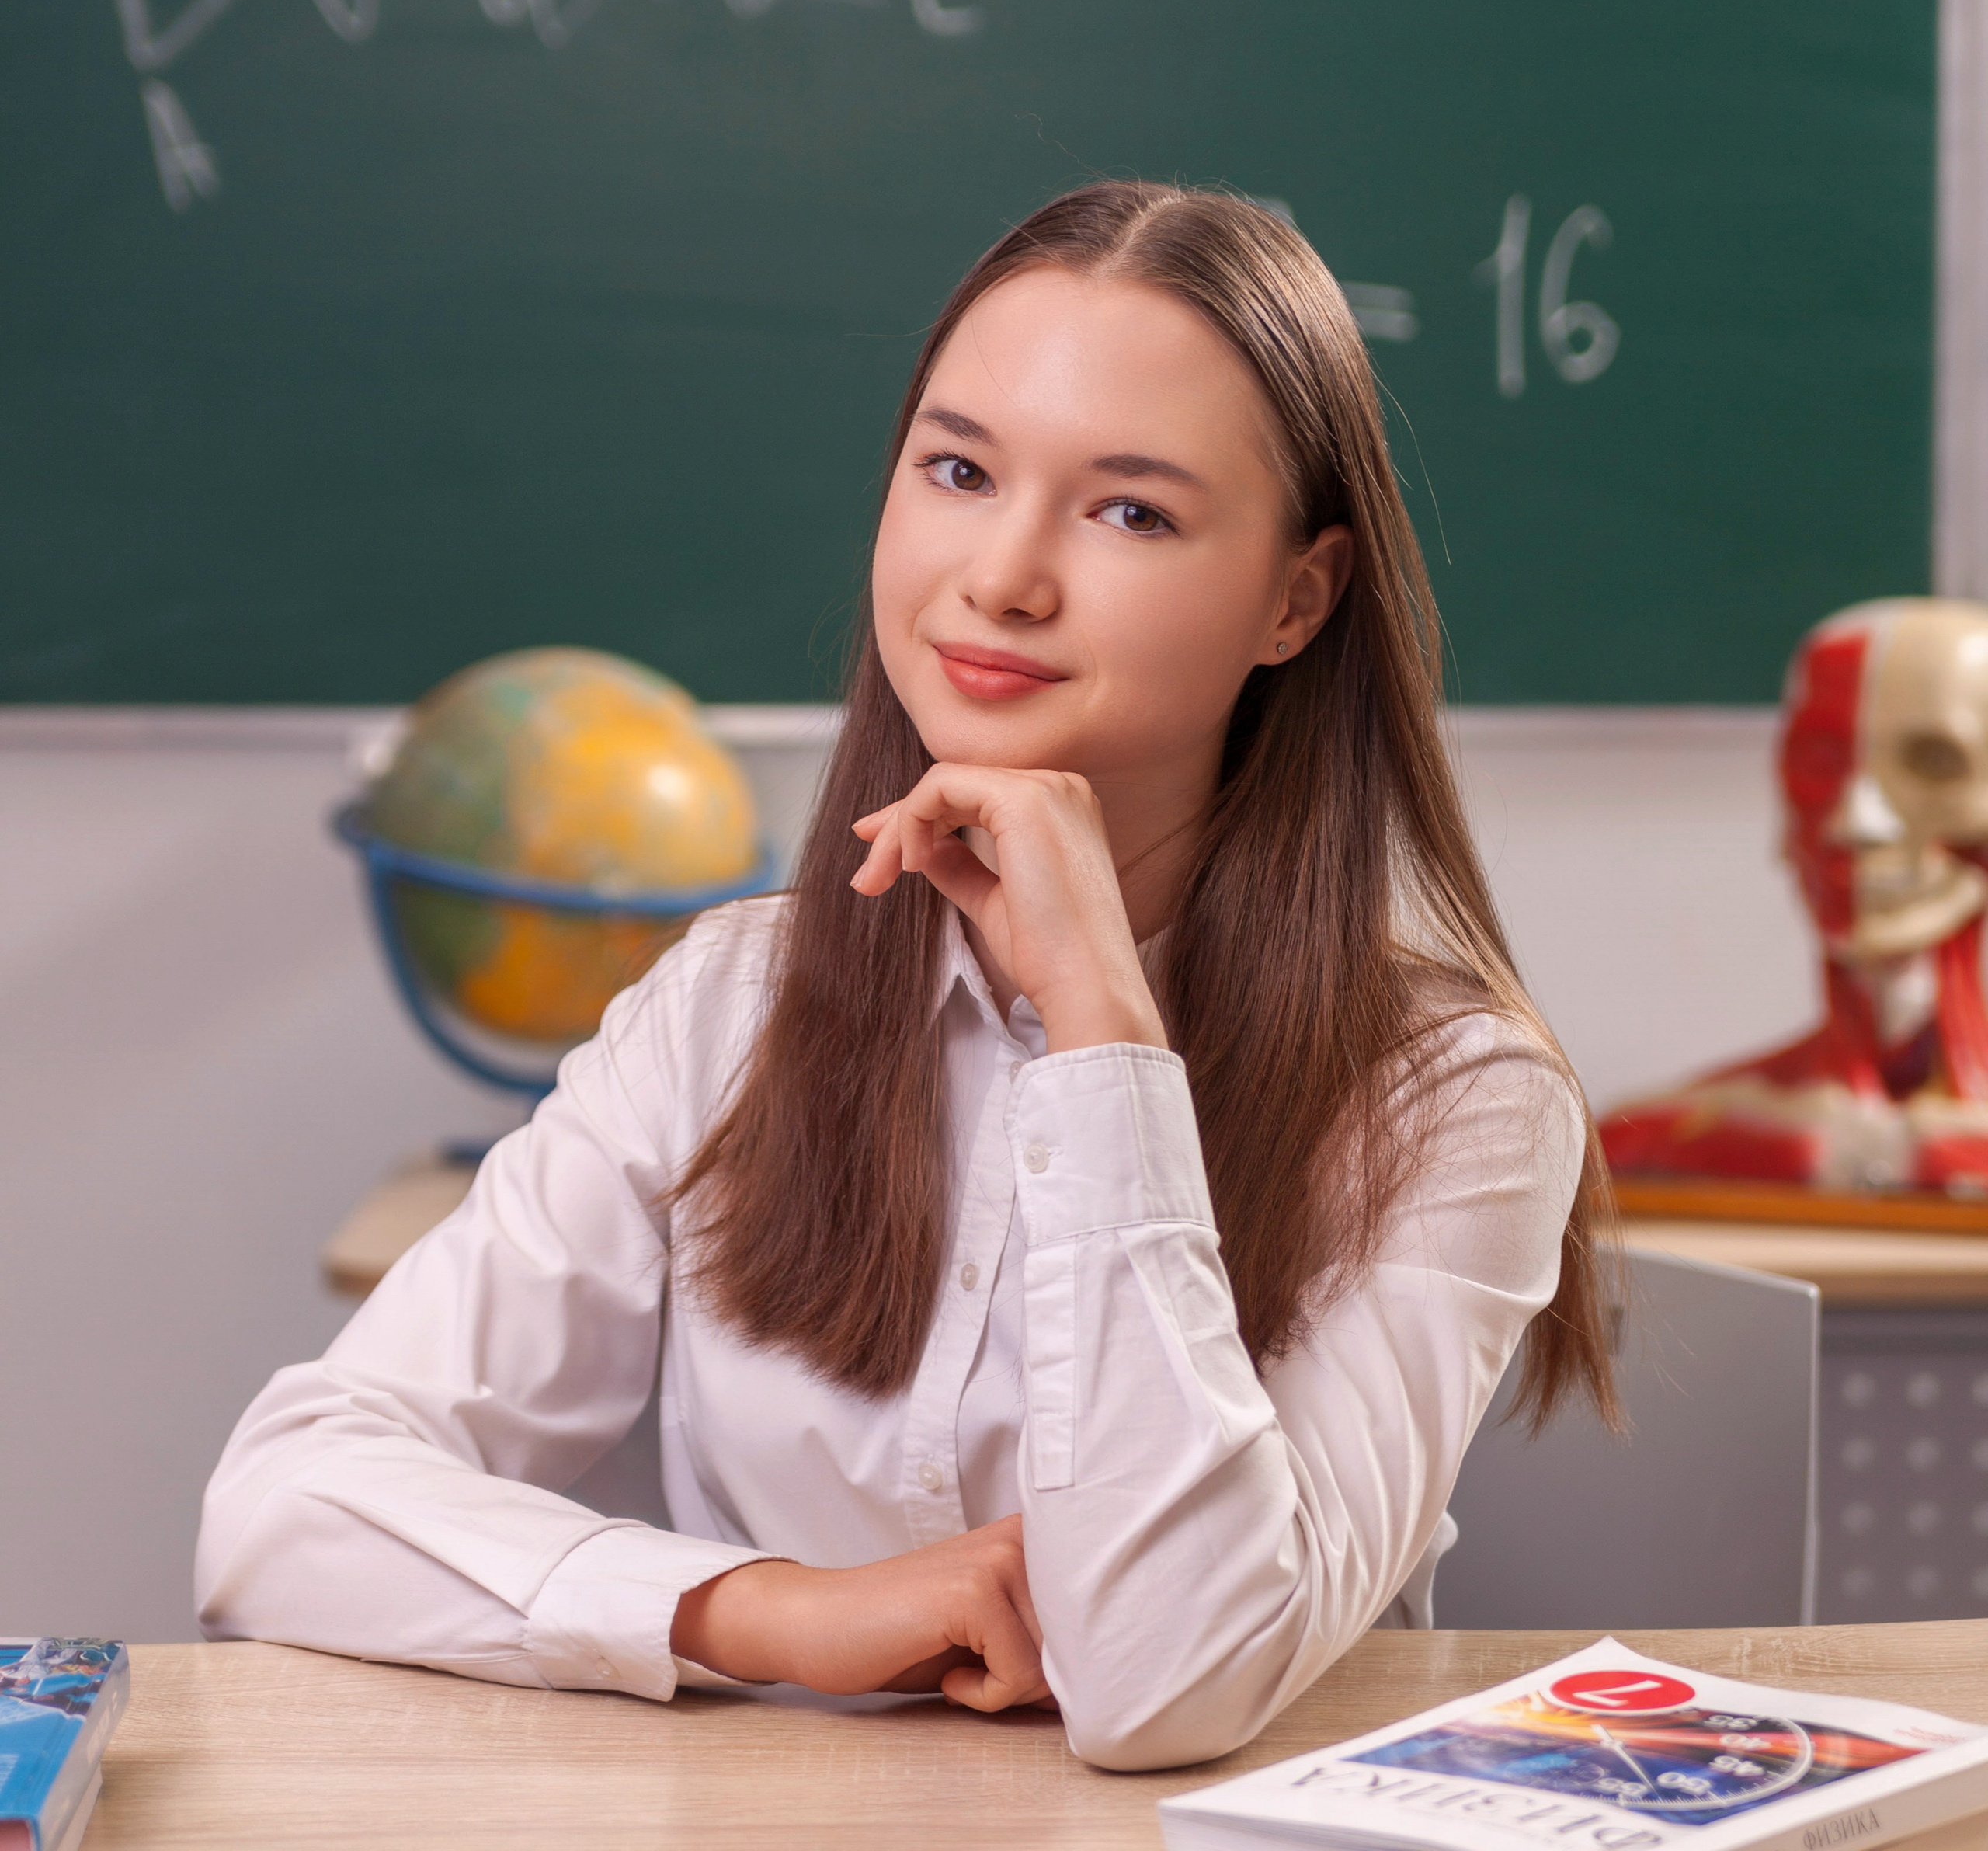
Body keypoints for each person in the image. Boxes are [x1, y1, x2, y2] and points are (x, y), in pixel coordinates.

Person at [196, 181, 1617, 1772]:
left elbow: (1169, 1684)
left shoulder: (1457, 1095)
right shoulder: (726, 1006)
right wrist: (770, 1607)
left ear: (1296, 597)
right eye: (956, 469)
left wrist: (1102, 1036)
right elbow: (281, 1499)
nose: (999, 576)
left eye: (1128, 510)